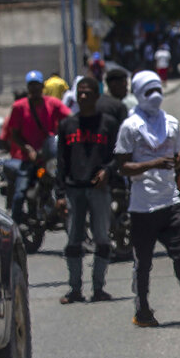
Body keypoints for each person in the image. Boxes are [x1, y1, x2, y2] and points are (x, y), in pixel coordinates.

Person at [114, 71, 180, 328]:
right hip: (142, 206)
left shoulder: (170, 123)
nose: (155, 96)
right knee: (143, 263)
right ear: (138, 94)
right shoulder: (130, 127)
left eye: (157, 91)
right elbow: (123, 167)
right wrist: (153, 164)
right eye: (148, 91)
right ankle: (142, 311)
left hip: (170, 202)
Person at [55, 77, 119, 304]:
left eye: (88, 93)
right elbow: (61, 161)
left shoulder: (108, 123)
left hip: (99, 189)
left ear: (96, 95)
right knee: (74, 240)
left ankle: (99, 287)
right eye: (80, 93)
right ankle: (74, 289)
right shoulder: (67, 125)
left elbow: (117, 155)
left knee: (102, 238)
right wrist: (60, 194)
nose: (83, 97)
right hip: (74, 189)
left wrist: (108, 171)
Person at [3, 70, 71, 221]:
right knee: (21, 191)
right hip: (28, 159)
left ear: (42, 87)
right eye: (31, 85)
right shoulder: (19, 107)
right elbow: (13, 134)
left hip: (50, 158)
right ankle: (16, 224)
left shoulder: (52, 104)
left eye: (37, 85)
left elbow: (71, 119)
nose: (34, 89)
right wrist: (28, 149)